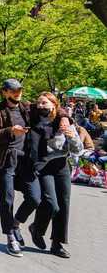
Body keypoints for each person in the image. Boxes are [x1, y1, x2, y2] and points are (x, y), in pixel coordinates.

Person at [0, 79, 42, 257]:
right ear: (5, 92)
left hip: (26, 161)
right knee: (7, 200)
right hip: (6, 161)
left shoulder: (27, 107)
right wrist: (10, 131)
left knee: (34, 198)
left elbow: (51, 105)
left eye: (20, 90)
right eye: (14, 90)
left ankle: (16, 223)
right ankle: (10, 236)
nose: (18, 93)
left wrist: (64, 117)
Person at [26, 92, 82, 258]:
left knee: (63, 205)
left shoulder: (64, 122)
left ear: (54, 104)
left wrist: (71, 138)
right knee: (51, 203)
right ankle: (37, 229)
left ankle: (57, 244)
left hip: (61, 166)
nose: (41, 106)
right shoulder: (34, 120)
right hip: (43, 166)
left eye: (44, 103)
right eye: (39, 103)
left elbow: (78, 149)